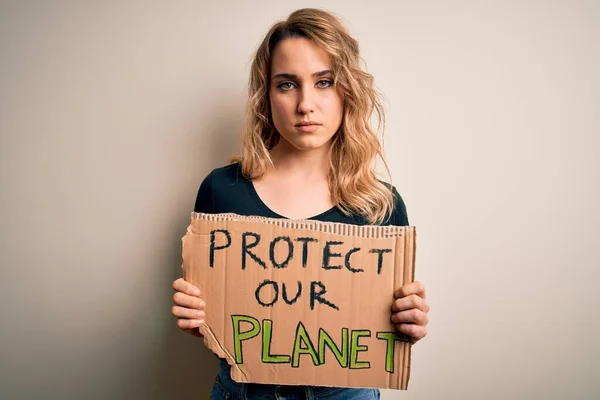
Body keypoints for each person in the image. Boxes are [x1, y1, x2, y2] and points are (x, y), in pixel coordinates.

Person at [172, 8, 429, 400]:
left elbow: (383, 332)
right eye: (287, 84)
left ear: (347, 91)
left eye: (324, 82)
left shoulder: (381, 205)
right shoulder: (220, 191)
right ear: (267, 94)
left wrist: (408, 321)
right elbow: (215, 317)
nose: (306, 104)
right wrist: (199, 319)